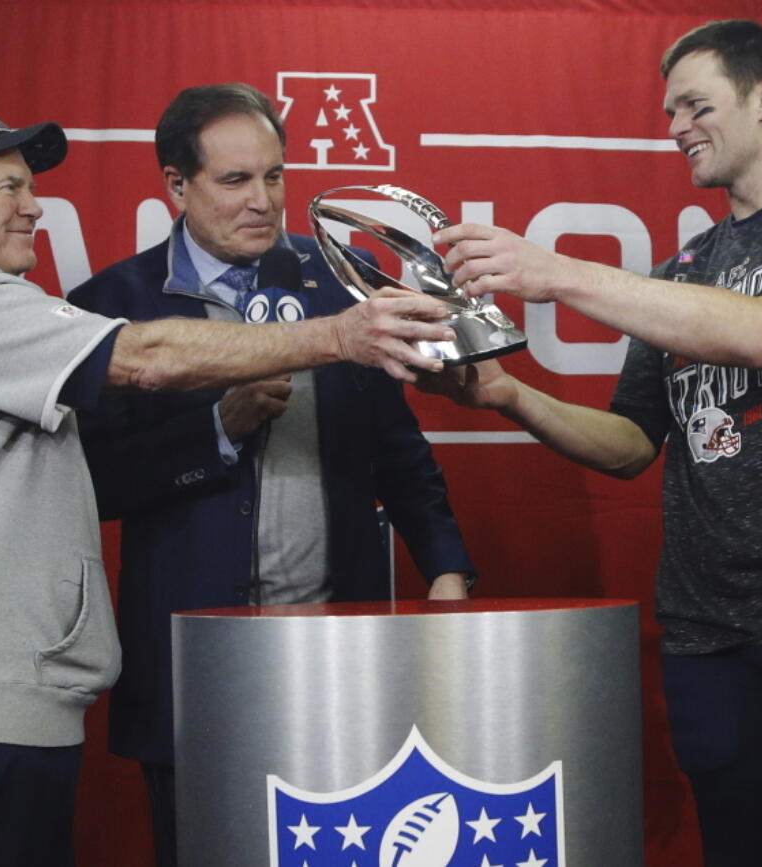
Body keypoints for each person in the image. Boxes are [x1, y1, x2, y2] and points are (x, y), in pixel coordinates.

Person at [0, 107, 455, 867]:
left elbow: (398, 453)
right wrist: (335, 339)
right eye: (9, 187)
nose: (33, 205)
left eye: (273, 175)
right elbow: (146, 357)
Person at [422, 20, 762, 866]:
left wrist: (553, 271)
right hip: (708, 631)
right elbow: (632, 442)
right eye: (669, 112)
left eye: (695, 105)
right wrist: (507, 393)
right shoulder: (679, 271)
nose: (675, 128)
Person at [67, 83, 475, 866]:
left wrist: (447, 567)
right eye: (235, 181)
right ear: (176, 186)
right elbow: (94, 481)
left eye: (275, 176)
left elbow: (400, 447)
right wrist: (216, 430)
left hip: (340, 657)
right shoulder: (114, 306)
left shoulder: (340, 284)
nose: (263, 201)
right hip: (197, 667)